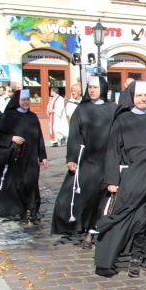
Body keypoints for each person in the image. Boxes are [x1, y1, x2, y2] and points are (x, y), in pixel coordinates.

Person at [94, 81, 146, 277]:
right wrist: (112, 180)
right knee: (138, 218)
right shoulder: (122, 120)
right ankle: (135, 257)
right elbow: (113, 151)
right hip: (132, 177)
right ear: (131, 97)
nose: (143, 99)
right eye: (139, 96)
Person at [51, 77, 116, 248]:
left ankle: (92, 231)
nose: (92, 90)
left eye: (95, 87)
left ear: (103, 88)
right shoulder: (82, 109)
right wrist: (71, 159)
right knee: (87, 196)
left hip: (108, 158)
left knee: (104, 198)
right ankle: (84, 226)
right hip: (88, 159)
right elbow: (74, 135)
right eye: (90, 87)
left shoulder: (113, 109)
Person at [0, 89, 48, 224]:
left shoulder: (33, 117)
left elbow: (39, 138)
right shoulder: (9, 116)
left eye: (27, 100)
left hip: (31, 158)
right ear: (18, 101)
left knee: (32, 183)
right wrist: (12, 138)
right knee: (19, 184)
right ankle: (21, 211)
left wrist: (43, 156)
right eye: (23, 100)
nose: (26, 102)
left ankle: (33, 211)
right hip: (17, 156)